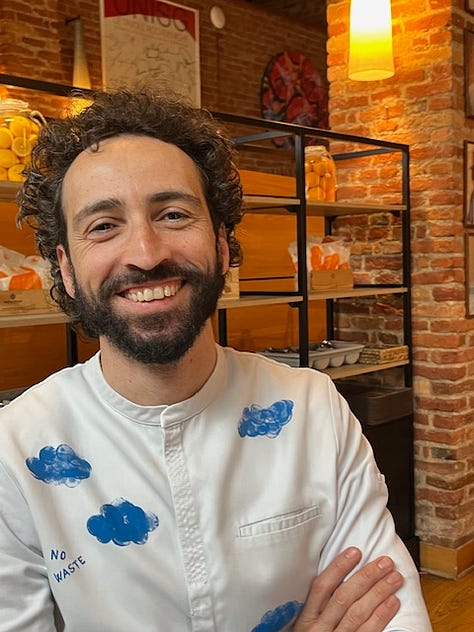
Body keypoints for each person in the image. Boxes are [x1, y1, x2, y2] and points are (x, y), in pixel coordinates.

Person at [0, 89, 432, 632]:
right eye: (104, 225)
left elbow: (391, 613)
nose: (146, 253)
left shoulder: (312, 409)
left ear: (223, 244)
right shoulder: (14, 450)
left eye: (173, 214)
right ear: (64, 268)